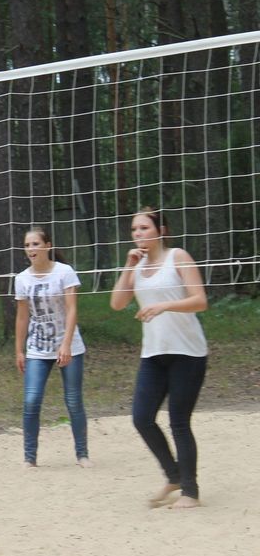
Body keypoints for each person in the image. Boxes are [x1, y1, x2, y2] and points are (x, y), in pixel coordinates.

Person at [110, 207, 208, 509]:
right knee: (141, 418)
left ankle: (190, 492)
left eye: (144, 228)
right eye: (134, 230)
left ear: (160, 230)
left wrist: (163, 306)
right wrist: (128, 267)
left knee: (179, 421)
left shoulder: (177, 256)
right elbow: (117, 303)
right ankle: (173, 475)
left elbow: (200, 301)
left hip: (187, 352)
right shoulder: (136, 266)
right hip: (153, 353)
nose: (138, 234)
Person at [13, 227, 90, 468]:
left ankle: (82, 454)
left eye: (36, 244)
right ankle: (30, 458)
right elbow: (22, 317)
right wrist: (19, 350)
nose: (31, 249)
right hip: (37, 346)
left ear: (47, 246)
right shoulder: (22, 278)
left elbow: (72, 309)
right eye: (27, 245)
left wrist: (66, 344)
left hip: (68, 345)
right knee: (31, 400)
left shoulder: (64, 272)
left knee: (73, 400)